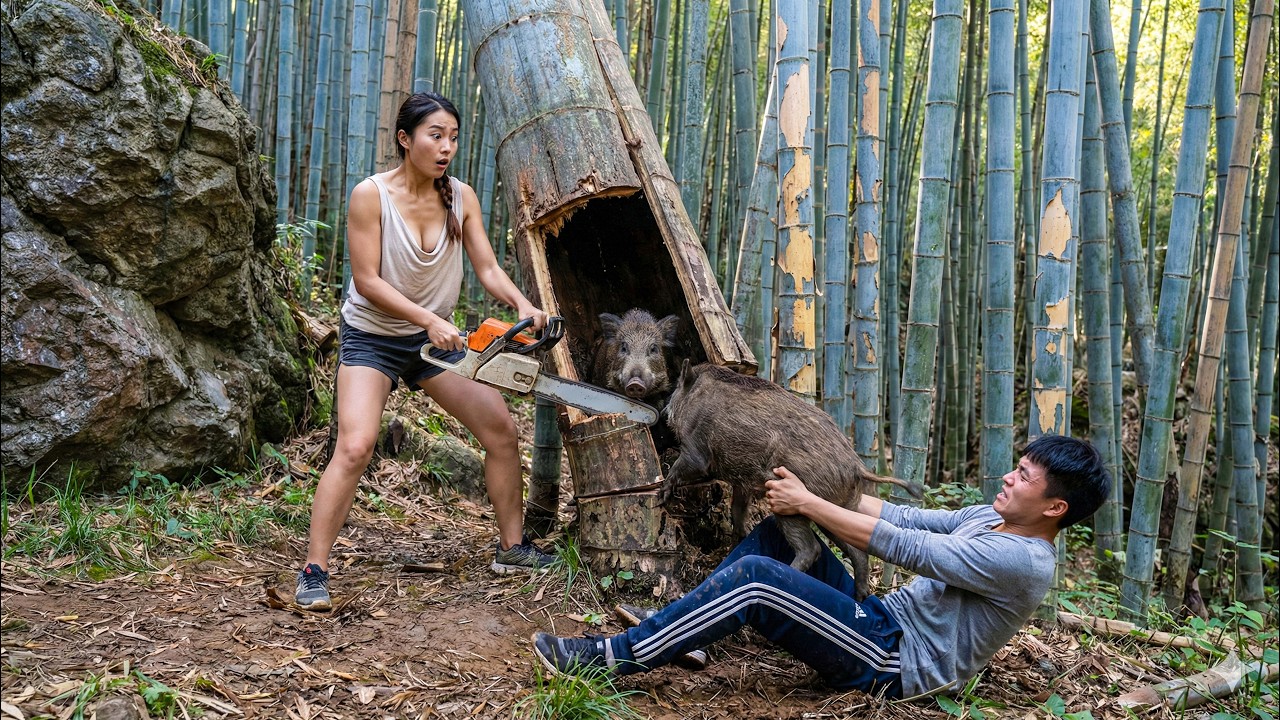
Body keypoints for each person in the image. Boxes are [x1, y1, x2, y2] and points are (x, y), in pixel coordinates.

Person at [532, 434, 1111, 699]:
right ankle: (684, 635)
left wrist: (811, 504)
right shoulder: (992, 518)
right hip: (879, 618)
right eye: (1016, 467)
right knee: (774, 540)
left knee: (758, 581)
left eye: (1024, 478)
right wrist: (822, 483)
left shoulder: (1025, 561)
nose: (1008, 478)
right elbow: (909, 519)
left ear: (1055, 507)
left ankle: (614, 658)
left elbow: (906, 549)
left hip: (894, 662)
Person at [296, 92, 556, 611]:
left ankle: (512, 549)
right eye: (435, 135)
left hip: (436, 345)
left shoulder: (460, 197)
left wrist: (525, 303)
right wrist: (429, 319)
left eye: (453, 138)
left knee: (501, 432)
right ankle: (314, 569)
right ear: (404, 139)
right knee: (355, 445)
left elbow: (486, 267)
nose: (446, 147)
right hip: (373, 338)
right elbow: (367, 281)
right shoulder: (370, 196)